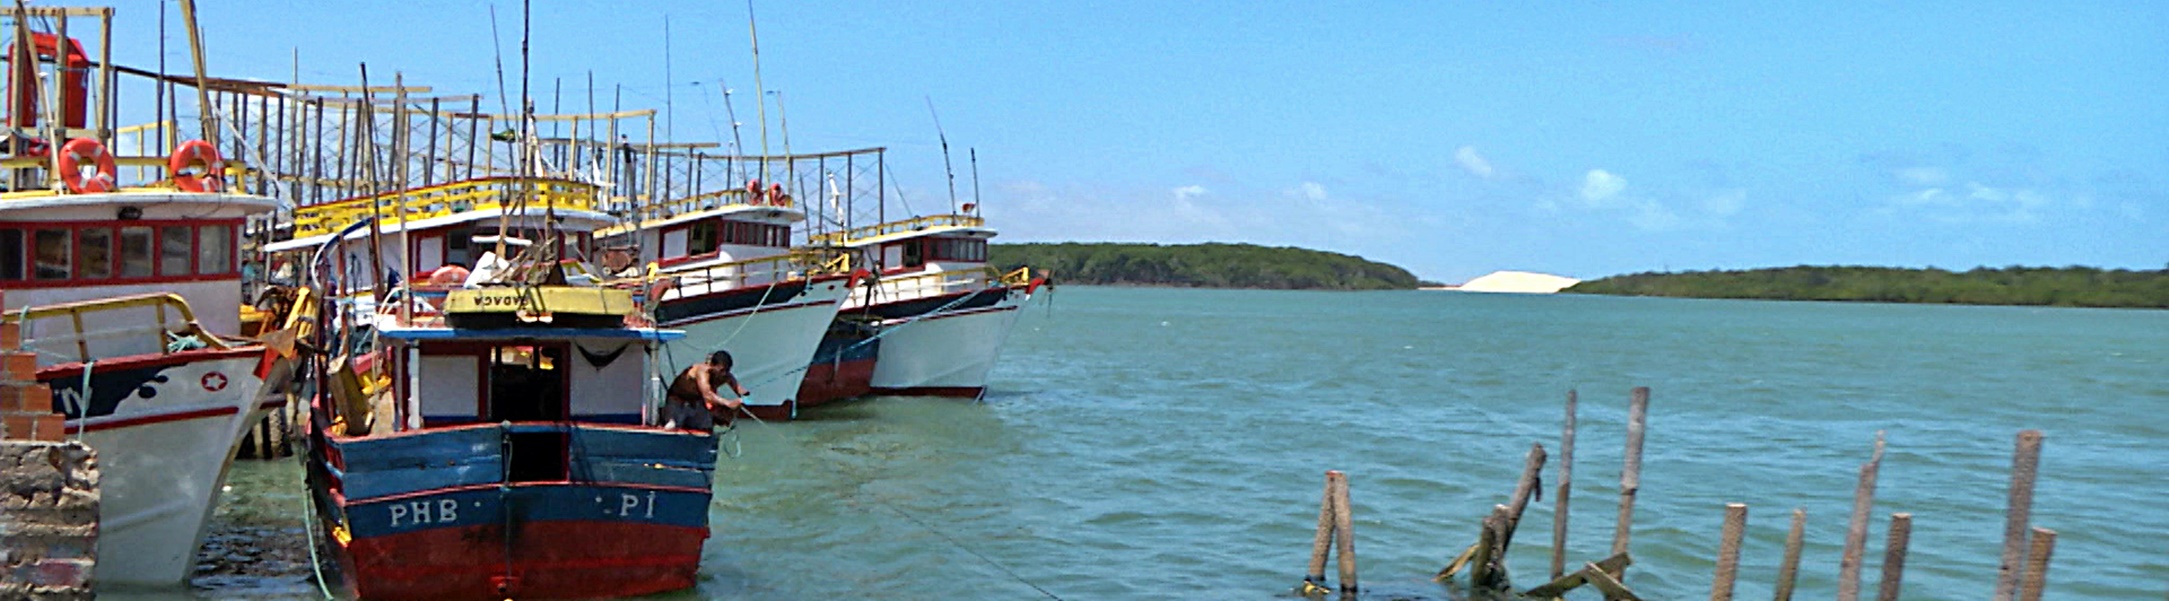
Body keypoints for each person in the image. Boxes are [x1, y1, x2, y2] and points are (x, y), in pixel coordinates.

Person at [665, 350, 748, 431]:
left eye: (727, 370)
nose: (724, 374)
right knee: (672, 427)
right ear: (712, 365)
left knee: (706, 429)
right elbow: (707, 395)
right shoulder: (702, 370)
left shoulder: (727, 376)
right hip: (678, 401)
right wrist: (728, 403)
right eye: (721, 370)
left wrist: (744, 399)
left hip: (697, 403)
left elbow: (741, 390)